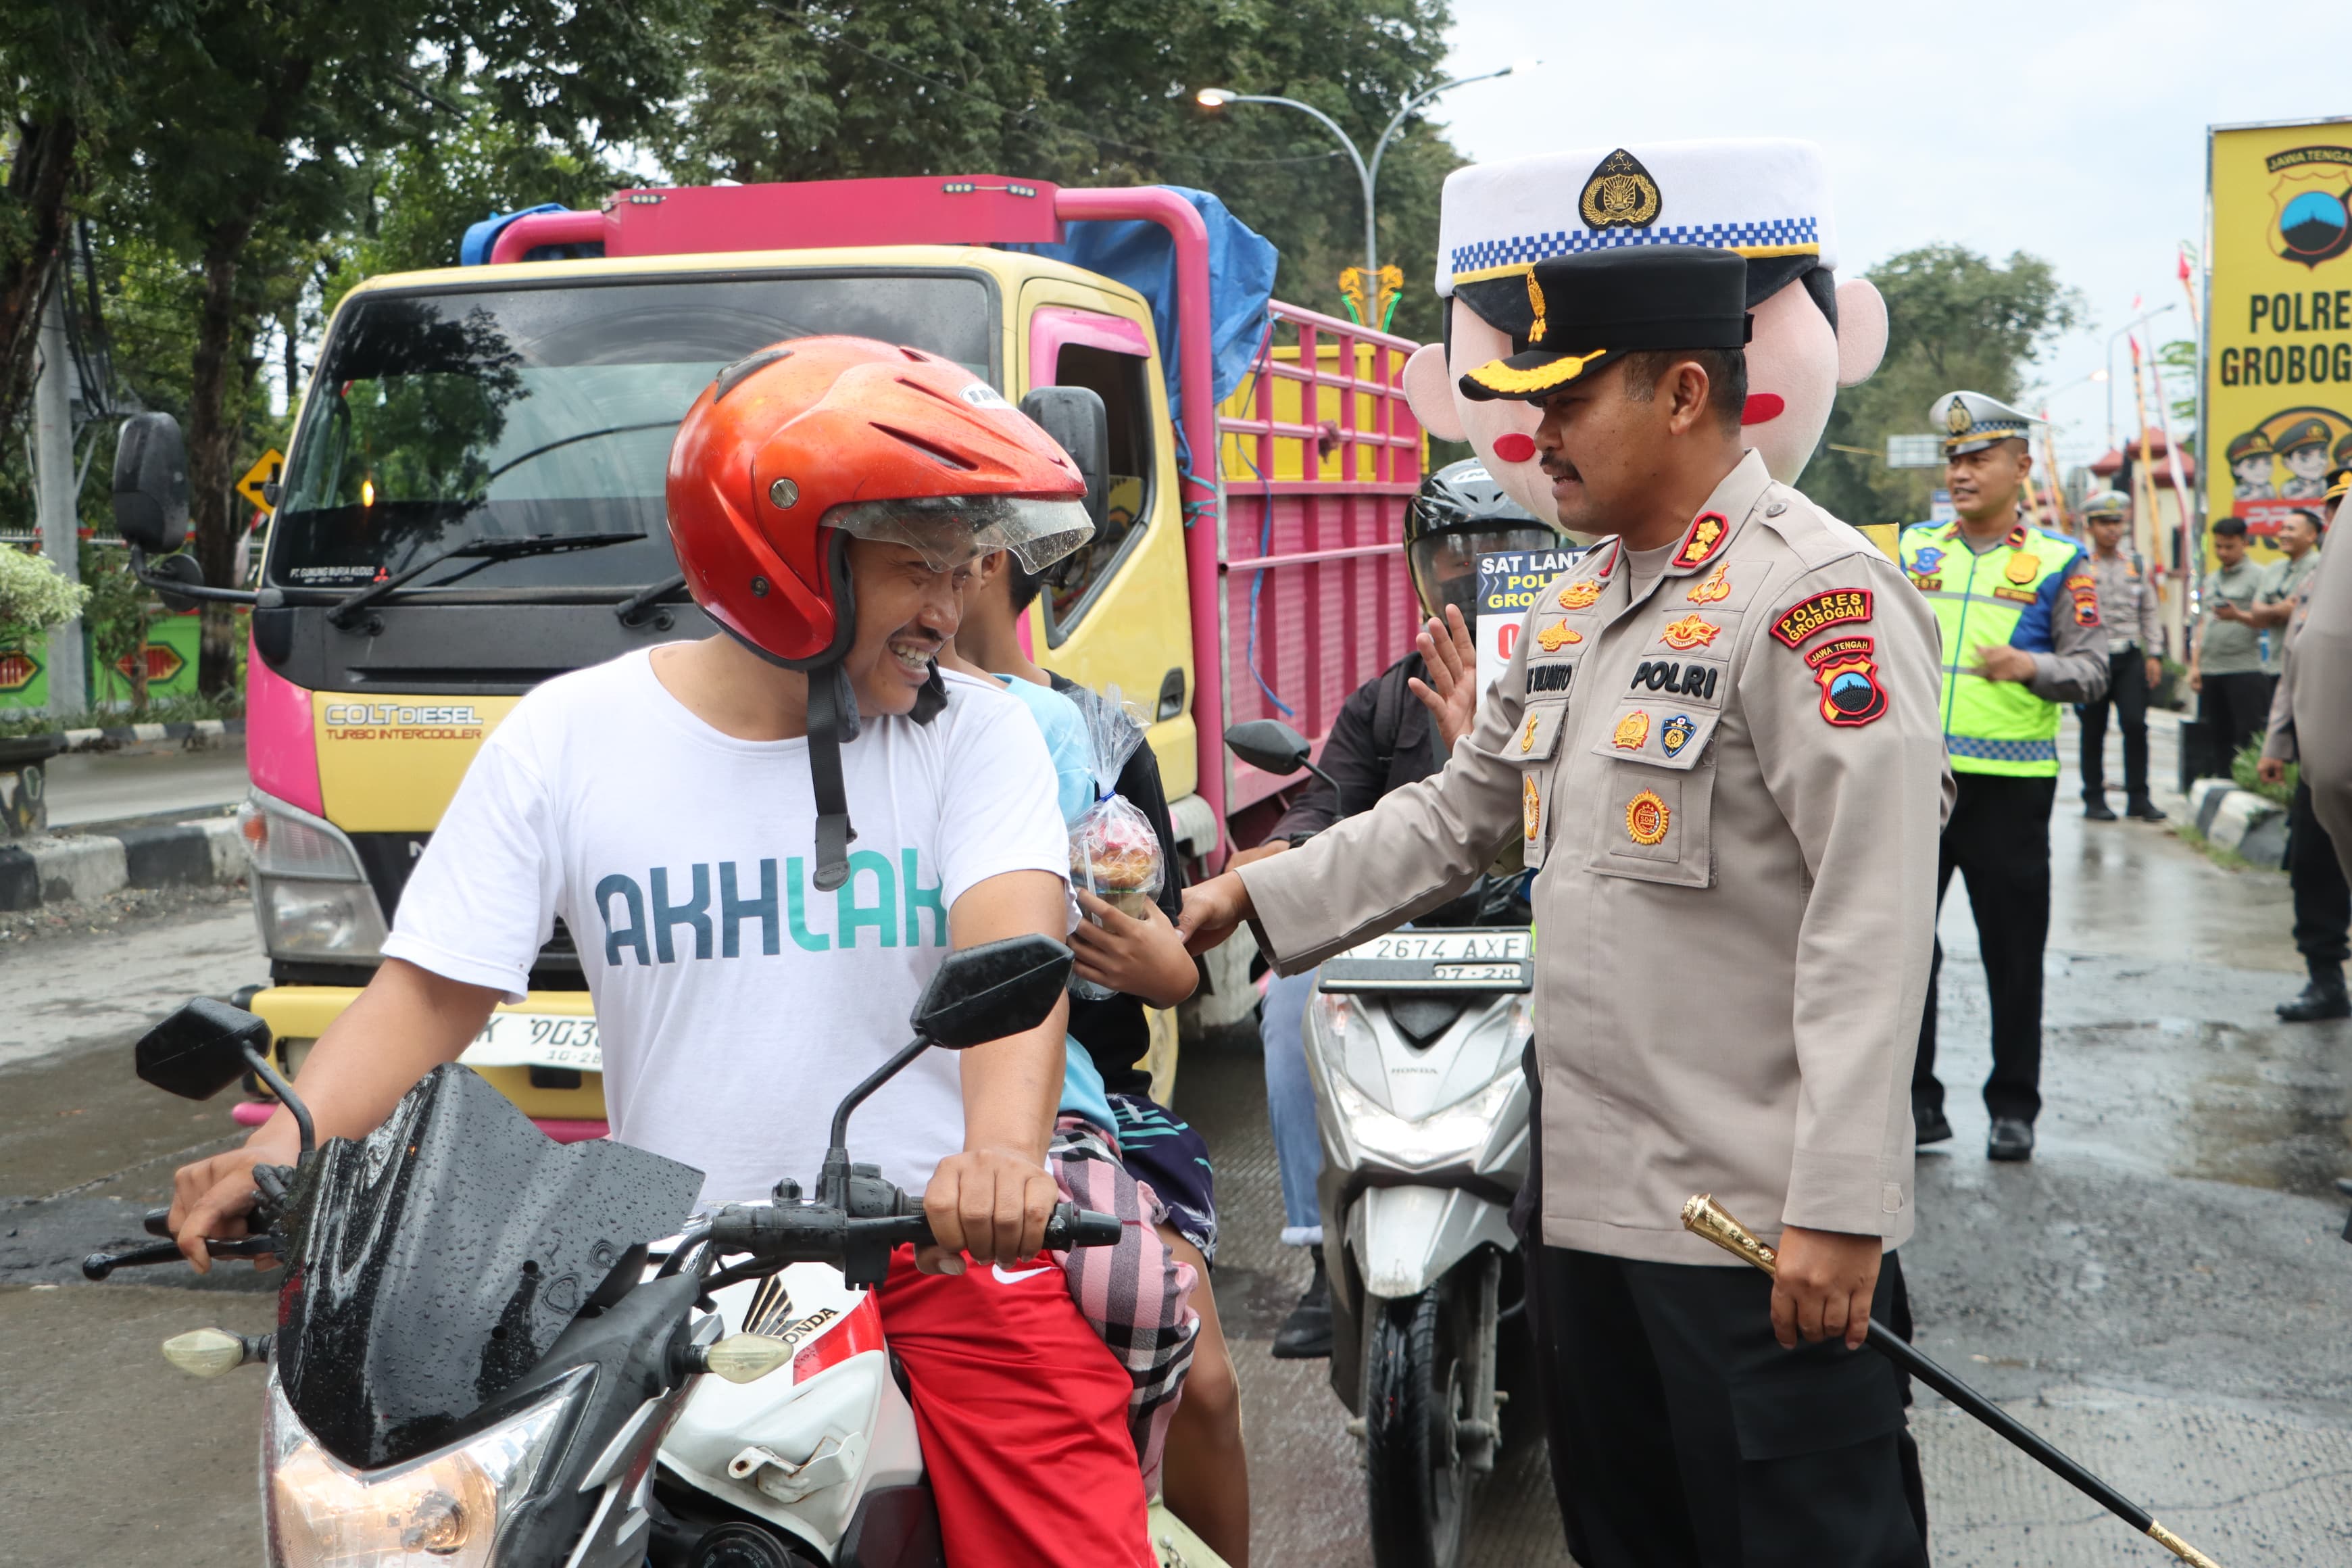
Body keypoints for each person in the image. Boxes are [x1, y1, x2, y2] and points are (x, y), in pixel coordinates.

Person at [168, 337, 1160, 1565]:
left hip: (929, 1250)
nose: (952, 612)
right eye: (919, 569)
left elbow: (1010, 954)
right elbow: (431, 989)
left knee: (1077, 1542)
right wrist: (288, 1146)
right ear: (790, 558)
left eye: (964, 572)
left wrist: (1001, 1163)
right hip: (656, 1267)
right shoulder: (572, 738)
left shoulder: (980, 737)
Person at [1182, 247, 1948, 1565]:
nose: (1537, 440)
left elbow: (1870, 918)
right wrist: (1244, 896)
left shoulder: (1812, 597)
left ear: (1686, 392)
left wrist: (1841, 1205)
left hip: (1755, 1235)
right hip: (1586, 1216)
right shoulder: (1577, 599)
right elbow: (1458, 812)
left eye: (1566, 403)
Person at [948, 548, 1252, 1566]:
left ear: (992, 560)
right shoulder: (841, 723)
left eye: (943, 556)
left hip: (1094, 1105)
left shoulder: (1086, 738)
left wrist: (1150, 957)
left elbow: (1170, 962)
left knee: (1202, 1375)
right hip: (936, 1115)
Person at [1233, 458, 1561, 1360]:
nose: (1481, 572)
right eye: (1460, 554)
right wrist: (1259, 870)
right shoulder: (1387, 699)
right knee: (1289, 997)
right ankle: (1317, 1250)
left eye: (1509, 551)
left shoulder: (1581, 690)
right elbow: (1319, 814)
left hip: (1543, 939)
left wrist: (1484, 754)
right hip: (1402, 941)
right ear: (1424, 565)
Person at [1901, 391, 2108, 1164]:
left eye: (1978, 457)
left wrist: (2033, 667)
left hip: (2012, 791)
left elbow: (2092, 670)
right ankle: (1916, 1102)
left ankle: (2014, 1106)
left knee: (2013, 954)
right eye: (1954, 458)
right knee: (1903, 949)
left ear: (2021, 467)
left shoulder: (2061, 562)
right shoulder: (1912, 550)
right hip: (1919, 780)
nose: (1961, 471)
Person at [2260, 475, 2348, 1022]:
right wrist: (2277, 744)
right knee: (2313, 863)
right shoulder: (2318, 583)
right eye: (2335, 512)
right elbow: (2295, 669)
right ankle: (2325, 977)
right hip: (2321, 752)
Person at [2074, 489, 2167, 822]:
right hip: (2093, 658)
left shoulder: (2136, 564)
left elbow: (2150, 612)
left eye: (2117, 522)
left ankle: (2139, 798)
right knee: (2093, 729)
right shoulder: (2080, 564)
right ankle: (2094, 799)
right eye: (2104, 523)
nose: (2112, 530)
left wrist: (2154, 653)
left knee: (2135, 725)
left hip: (2129, 656)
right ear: (2090, 526)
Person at [2190, 515, 2275, 766]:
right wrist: (2196, 665)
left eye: (2229, 546)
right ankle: (2221, 778)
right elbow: (2203, 623)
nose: (2223, 552)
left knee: (2247, 733)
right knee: (2217, 733)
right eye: (2218, 546)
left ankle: (2246, 782)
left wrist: (2237, 615)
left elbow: (2267, 621)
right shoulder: (2212, 579)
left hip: (2246, 668)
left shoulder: (2260, 576)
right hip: (2211, 668)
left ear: (2244, 542)